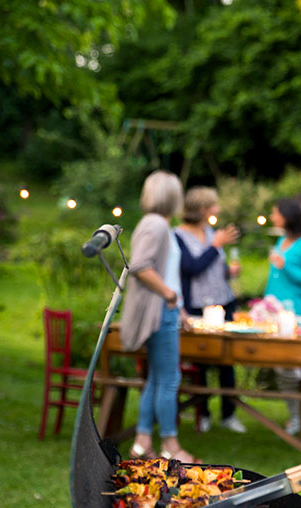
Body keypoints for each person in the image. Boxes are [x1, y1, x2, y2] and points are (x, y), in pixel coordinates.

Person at [120, 170, 200, 463]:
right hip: (159, 313)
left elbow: (165, 272)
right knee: (169, 380)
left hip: (167, 312)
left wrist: (179, 309)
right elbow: (140, 266)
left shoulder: (159, 225)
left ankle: (142, 442)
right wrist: (169, 296)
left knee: (156, 378)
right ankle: (170, 445)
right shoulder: (155, 225)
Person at [175, 186, 246, 434]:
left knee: (227, 360)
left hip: (223, 301)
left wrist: (229, 271)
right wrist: (216, 245)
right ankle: (202, 413)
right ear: (203, 209)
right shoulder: (178, 236)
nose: (217, 209)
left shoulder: (211, 232)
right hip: (196, 305)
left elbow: (215, 268)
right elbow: (191, 267)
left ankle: (229, 414)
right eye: (214, 205)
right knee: (201, 363)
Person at [264, 197, 301, 435]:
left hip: (296, 313)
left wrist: (285, 265)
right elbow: (274, 278)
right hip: (273, 313)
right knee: (282, 368)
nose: (272, 217)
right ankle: (296, 417)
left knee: (293, 368)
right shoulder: (281, 240)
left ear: (287, 216)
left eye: (275, 213)